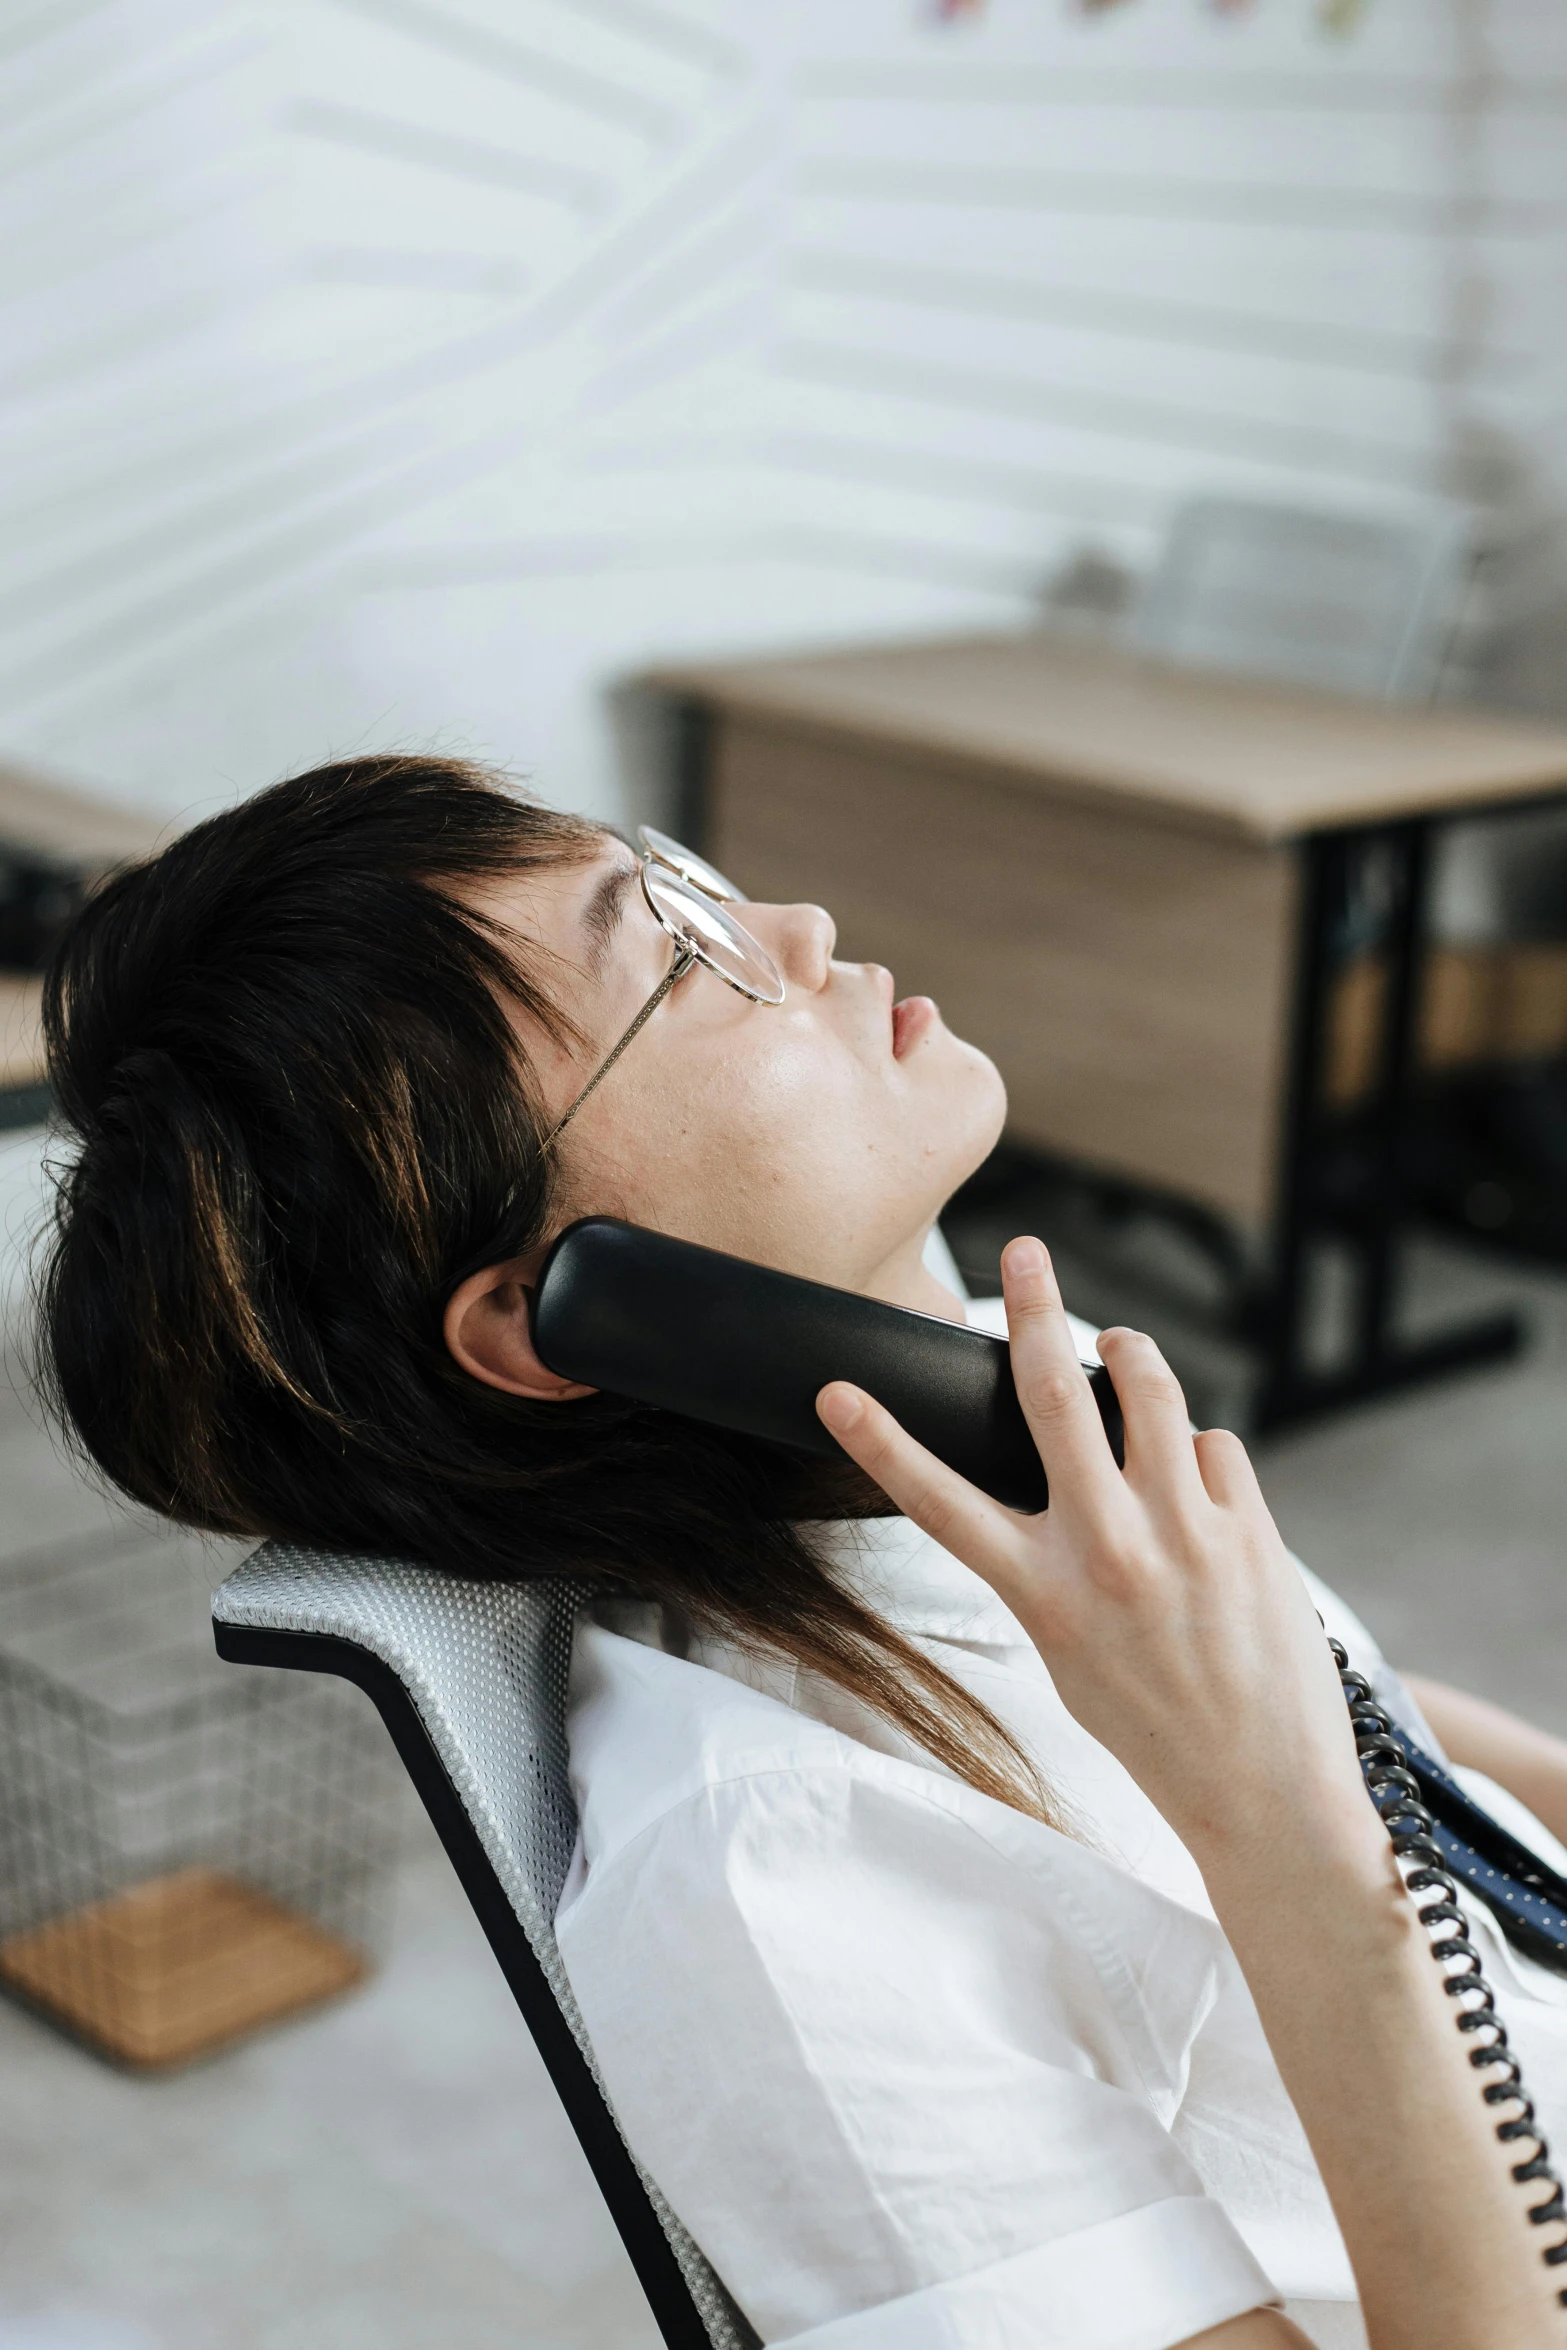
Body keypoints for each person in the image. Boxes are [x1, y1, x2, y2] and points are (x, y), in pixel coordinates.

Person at [36, 753, 1567, 2350]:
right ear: (565, 1306)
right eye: (683, 958)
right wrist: (1286, 1841)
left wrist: (1313, 1768)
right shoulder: (770, 1894)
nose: (801, 924)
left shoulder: (990, 1408)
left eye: (691, 879)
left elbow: (1368, 1718)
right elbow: (1302, 1777)